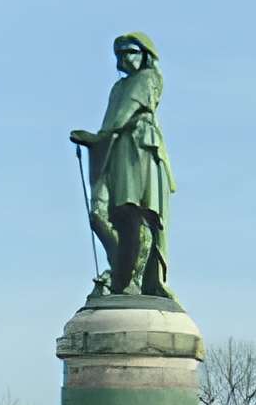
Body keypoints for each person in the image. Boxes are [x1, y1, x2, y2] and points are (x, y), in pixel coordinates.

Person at [70, 32, 176, 297]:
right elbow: (113, 121)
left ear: (145, 55)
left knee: (136, 215)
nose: (124, 58)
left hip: (140, 148)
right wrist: (98, 141)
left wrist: (97, 137)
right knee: (100, 215)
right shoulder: (118, 88)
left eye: (131, 51)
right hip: (114, 149)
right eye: (120, 54)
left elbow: (125, 113)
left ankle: (129, 276)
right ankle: (121, 270)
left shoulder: (148, 78)